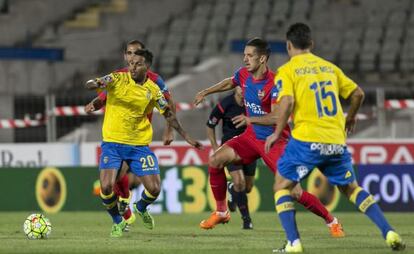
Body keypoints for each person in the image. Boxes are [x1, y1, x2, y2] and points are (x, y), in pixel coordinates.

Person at [265, 23, 405, 252]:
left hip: (307, 139)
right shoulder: (330, 68)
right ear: (312, 44)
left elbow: (287, 102)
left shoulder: (287, 70)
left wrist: (277, 132)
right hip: (335, 140)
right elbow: (357, 93)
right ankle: (388, 232)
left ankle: (294, 243)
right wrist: (350, 118)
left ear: (288, 46)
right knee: (352, 189)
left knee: (281, 185)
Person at [194, 38, 344, 238]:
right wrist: (206, 91)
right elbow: (231, 81)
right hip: (251, 137)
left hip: (275, 141)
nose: (245, 59)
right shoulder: (244, 74)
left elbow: (277, 116)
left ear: (262, 58)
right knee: (215, 159)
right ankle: (222, 211)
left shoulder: (276, 83)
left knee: (294, 192)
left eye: (250, 56)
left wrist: (250, 119)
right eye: (244, 55)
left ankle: (332, 221)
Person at [85, 49, 202, 237]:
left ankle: (140, 207)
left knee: (154, 189)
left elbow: (168, 114)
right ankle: (117, 222)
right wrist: (94, 84)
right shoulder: (117, 78)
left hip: (138, 146)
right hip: (112, 144)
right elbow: (101, 83)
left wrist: (185, 136)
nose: (132, 67)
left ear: (147, 66)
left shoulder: (153, 90)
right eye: (131, 63)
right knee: (106, 187)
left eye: (137, 64)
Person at [206, 87, 257, 229]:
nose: (243, 90)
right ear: (236, 88)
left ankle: (232, 189)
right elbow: (210, 125)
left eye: (246, 87)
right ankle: (247, 220)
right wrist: (215, 146)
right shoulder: (226, 103)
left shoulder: (252, 103)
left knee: (247, 187)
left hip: (250, 147)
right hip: (230, 149)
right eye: (241, 87)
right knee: (239, 181)